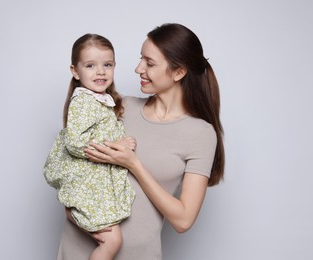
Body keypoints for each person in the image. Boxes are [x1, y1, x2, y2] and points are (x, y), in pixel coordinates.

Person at [56, 23, 225, 260]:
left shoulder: (200, 133)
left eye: (150, 62)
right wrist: (71, 203)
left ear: (179, 72)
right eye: (140, 59)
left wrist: (133, 164)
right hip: (79, 249)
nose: (138, 69)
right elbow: (71, 152)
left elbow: (184, 220)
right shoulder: (117, 107)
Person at [43, 33, 136, 260]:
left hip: (96, 186)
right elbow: (75, 143)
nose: (101, 72)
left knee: (112, 238)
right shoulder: (84, 100)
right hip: (88, 187)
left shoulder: (100, 99)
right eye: (90, 65)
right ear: (75, 71)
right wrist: (117, 146)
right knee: (113, 241)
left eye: (107, 65)